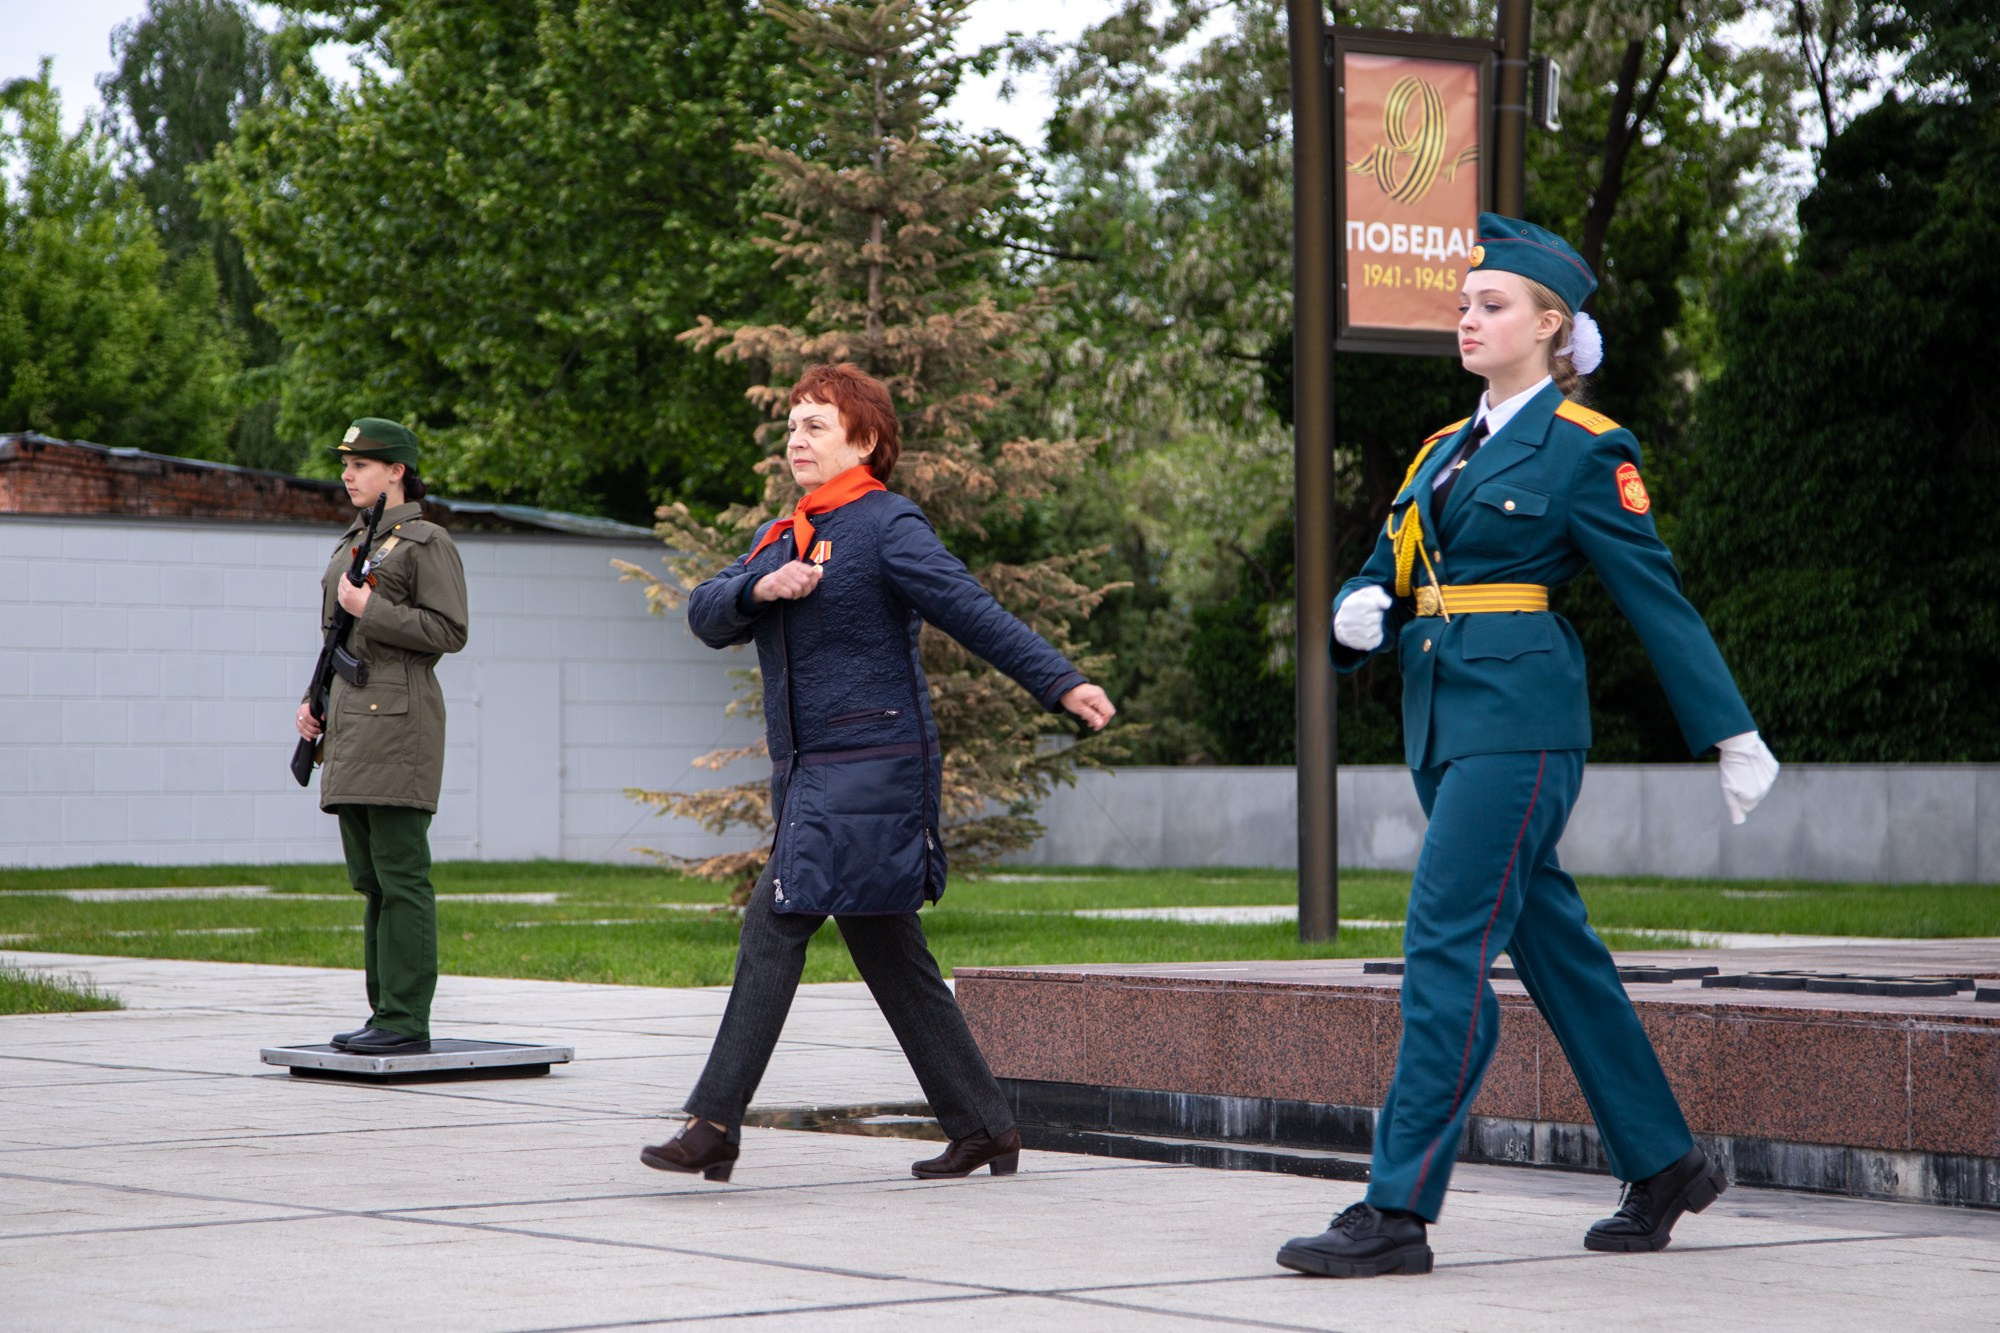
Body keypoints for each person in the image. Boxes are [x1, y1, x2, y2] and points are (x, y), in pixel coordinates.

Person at [1277, 214, 1781, 1278]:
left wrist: (1729, 731)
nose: (1466, 317)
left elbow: (1655, 596)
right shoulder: (1438, 451)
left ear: (1553, 327)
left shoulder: (1585, 448)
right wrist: (1351, 610)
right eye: (1463, 303)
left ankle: (1396, 1209)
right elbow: (1382, 566)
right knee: (1553, 949)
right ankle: (1665, 1161)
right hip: (1443, 723)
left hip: (1520, 727)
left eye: (1490, 304)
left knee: (1443, 942)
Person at [641, 362, 1115, 1184]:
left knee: (775, 920)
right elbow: (705, 610)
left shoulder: (886, 525)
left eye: (816, 424)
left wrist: (1061, 680)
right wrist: (763, 583)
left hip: (870, 767)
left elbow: (971, 609)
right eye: (791, 424)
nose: (796, 436)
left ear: (864, 440)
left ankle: (713, 1120)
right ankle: (987, 1124)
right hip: (813, 774)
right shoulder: (780, 534)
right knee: (888, 946)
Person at [294, 418, 469, 1055]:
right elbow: (338, 642)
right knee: (370, 879)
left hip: (398, 723)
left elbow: (449, 632)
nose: (348, 475)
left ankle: (405, 1019)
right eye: (346, 464)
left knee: (401, 874)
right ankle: (382, 1016)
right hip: (349, 724)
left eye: (362, 464)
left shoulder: (426, 543)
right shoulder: (352, 543)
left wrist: (376, 610)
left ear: (396, 470)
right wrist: (315, 702)